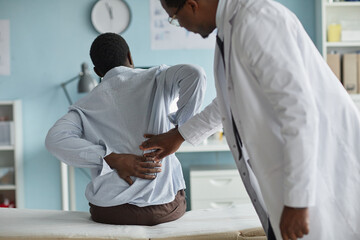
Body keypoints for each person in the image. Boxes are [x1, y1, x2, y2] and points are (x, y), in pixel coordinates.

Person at [140, 0, 360, 239]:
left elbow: (299, 111)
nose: (179, 25)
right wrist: (180, 135)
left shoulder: (255, 21)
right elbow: (228, 102)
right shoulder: (231, 30)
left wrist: (297, 202)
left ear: (193, 4)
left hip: (321, 177)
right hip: (295, 177)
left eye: (174, 17)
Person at [45, 33, 206, 226]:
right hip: (160, 207)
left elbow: (54, 139)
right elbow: (195, 74)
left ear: (97, 71)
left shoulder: (83, 106)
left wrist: (111, 158)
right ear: (130, 56)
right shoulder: (157, 78)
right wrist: (179, 132)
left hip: (108, 211)